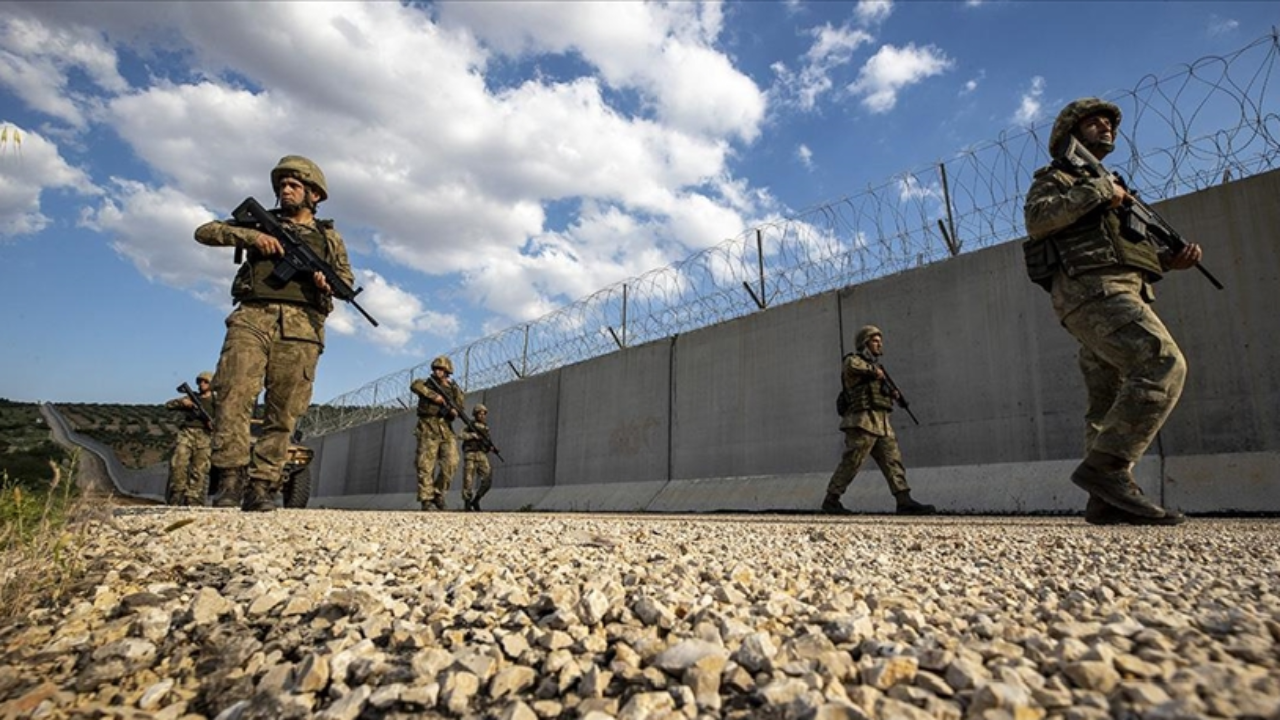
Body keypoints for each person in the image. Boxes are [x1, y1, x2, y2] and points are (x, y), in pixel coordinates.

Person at [1023, 98, 1201, 526]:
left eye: (1110, 124)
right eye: (1095, 122)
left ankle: (1106, 501)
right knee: (1162, 363)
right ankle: (1107, 469)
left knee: (1106, 400)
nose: (1106, 127)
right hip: (1091, 290)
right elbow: (1038, 219)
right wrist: (1103, 190)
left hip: (1119, 288)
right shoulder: (1058, 176)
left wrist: (1167, 260)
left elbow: (1120, 249)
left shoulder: (1113, 185)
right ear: (1071, 132)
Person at [195, 155, 353, 512]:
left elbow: (345, 281)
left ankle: (263, 485)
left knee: (284, 410)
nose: (286, 190)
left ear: (315, 194)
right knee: (233, 392)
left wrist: (326, 283)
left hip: (302, 326)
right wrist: (252, 237)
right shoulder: (262, 224)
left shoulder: (329, 238)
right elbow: (205, 231)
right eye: (282, 184)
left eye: (295, 185)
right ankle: (231, 480)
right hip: (252, 316)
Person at [822, 325, 936, 515]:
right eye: (874, 340)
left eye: (879, 340)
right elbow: (852, 366)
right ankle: (831, 500)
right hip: (862, 422)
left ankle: (904, 499)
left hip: (882, 423)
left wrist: (891, 394)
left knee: (893, 461)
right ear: (864, 344)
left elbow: (878, 390)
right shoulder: (854, 361)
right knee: (853, 461)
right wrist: (874, 372)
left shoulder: (877, 369)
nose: (879, 344)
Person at [410, 356, 465, 511]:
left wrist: (454, 410)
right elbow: (415, 386)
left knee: (452, 462)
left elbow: (460, 406)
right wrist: (435, 397)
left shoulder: (454, 388)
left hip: (445, 428)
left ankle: (438, 493)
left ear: (448, 371)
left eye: (440, 369)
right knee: (425, 465)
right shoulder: (426, 383)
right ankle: (426, 499)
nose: (437, 371)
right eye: (435, 368)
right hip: (428, 426)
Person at [164, 371, 216, 506]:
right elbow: (168, 405)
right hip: (187, 433)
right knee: (179, 463)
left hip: (205, 436)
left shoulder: (217, 401)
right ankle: (177, 493)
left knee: (200, 469)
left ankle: (194, 498)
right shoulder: (192, 398)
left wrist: (215, 424)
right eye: (199, 382)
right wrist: (182, 402)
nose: (202, 384)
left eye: (205, 381)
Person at [460, 403, 498, 512]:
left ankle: (476, 500)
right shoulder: (470, 426)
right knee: (468, 480)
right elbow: (460, 435)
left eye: (483, 414)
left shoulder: (485, 428)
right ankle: (467, 502)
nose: (482, 416)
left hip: (481, 454)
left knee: (487, 479)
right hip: (470, 454)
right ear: (475, 414)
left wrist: (491, 448)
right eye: (479, 414)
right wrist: (472, 435)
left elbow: (487, 442)